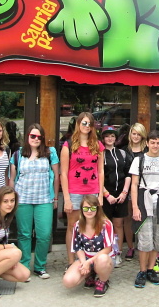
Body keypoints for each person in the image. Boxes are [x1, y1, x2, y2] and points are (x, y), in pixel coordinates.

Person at [9, 123, 59, 279]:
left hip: (44, 199)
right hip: (23, 199)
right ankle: (24, 266)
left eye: (39, 137)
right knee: (24, 234)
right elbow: (12, 179)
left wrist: (55, 197)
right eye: (33, 136)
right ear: (27, 137)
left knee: (44, 234)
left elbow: (56, 176)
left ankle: (40, 266)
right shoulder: (18, 154)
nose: (36, 139)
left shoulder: (50, 152)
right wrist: (11, 199)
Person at [130, 130, 159, 288]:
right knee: (145, 238)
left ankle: (151, 269)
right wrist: (135, 207)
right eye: (152, 142)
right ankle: (142, 270)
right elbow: (134, 184)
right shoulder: (139, 160)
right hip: (144, 201)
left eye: (158, 143)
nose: (155, 145)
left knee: (157, 237)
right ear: (147, 143)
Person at [61, 112, 105, 267]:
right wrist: (66, 198)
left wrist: (100, 195)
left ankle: (89, 260)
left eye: (89, 124)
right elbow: (64, 173)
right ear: (78, 124)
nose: (86, 126)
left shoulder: (98, 145)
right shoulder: (68, 145)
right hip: (74, 191)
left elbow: (100, 171)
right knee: (72, 226)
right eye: (84, 123)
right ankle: (71, 261)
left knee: (92, 225)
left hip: (92, 190)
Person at [63, 195, 115, 298]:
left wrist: (89, 262)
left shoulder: (106, 224)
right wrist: (84, 263)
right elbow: (78, 247)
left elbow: (108, 248)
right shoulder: (77, 225)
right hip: (85, 257)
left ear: (97, 209)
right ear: (82, 209)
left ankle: (102, 281)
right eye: (86, 208)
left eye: (92, 208)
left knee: (102, 259)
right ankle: (90, 273)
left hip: (103, 258)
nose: (89, 211)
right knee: (68, 281)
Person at [101, 125, 130, 267]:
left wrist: (124, 192)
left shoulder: (122, 153)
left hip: (121, 195)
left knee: (119, 224)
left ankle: (118, 252)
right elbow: (98, 176)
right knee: (106, 225)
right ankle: (106, 252)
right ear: (103, 138)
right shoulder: (100, 154)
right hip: (106, 194)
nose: (110, 138)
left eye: (112, 136)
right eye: (107, 136)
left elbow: (128, 173)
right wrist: (106, 195)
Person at [122, 123, 148, 261]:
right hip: (128, 187)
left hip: (144, 188)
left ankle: (146, 246)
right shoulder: (124, 150)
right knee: (129, 217)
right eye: (134, 133)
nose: (136, 136)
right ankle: (130, 246)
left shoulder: (147, 150)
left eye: (139, 134)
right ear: (130, 134)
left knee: (145, 217)